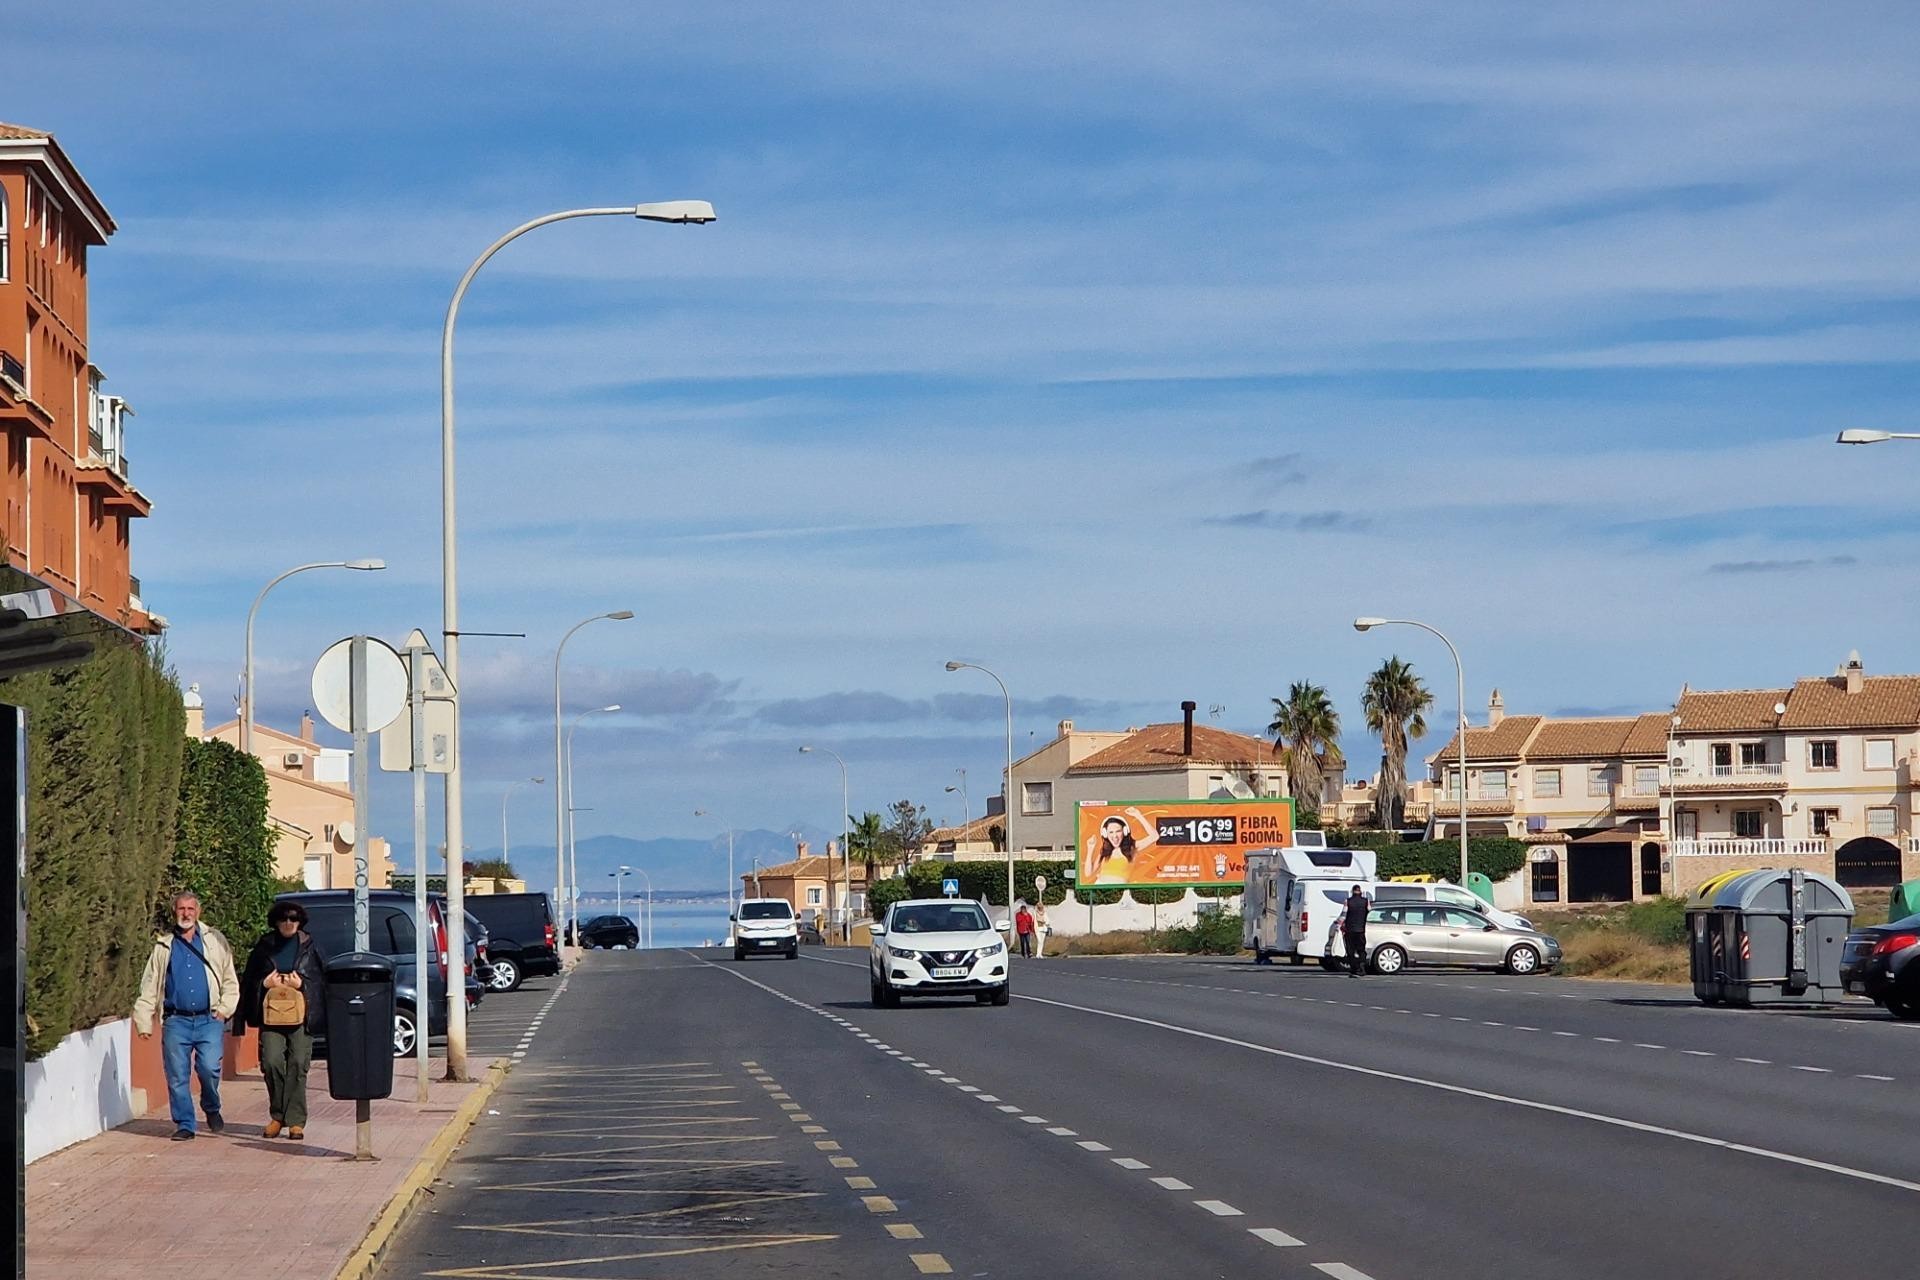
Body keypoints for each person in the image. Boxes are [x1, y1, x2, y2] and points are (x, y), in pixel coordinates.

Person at [132, 892, 240, 1140]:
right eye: (181, 909)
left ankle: (211, 1107)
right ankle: (185, 1124)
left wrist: (224, 1009)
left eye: (190, 909)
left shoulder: (215, 941)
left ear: (198, 912)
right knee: (177, 1075)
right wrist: (143, 1020)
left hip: (208, 1019)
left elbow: (229, 980)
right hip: (175, 1021)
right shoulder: (164, 946)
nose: (186, 913)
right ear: (175, 912)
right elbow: (150, 985)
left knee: (209, 1068)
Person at [239, 901, 328, 1140]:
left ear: (300, 921)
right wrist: (265, 984)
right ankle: (278, 1115)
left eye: (293, 919)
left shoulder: (310, 946)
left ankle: (296, 1120)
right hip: (271, 1015)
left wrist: (302, 986)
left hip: (300, 1015)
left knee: (299, 1062)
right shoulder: (265, 946)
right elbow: (249, 981)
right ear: (276, 921)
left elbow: (322, 982)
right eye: (283, 919)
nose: (288, 923)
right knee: (271, 1062)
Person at [1085, 807, 1160, 885]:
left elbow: (1154, 836)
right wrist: (1090, 848)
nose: (1115, 836)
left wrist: (1138, 815)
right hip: (1101, 889)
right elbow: (1088, 873)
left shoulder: (1132, 848)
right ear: (1105, 834)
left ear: (1125, 831)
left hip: (1121, 891)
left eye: (1118, 831)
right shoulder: (1105, 850)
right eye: (1111, 832)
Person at [1341, 884, 1372, 978]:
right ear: (1360, 891)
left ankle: (1354, 969)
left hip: (1350, 930)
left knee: (1350, 950)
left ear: (1352, 891)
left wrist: (1339, 923)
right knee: (1361, 950)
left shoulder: (1348, 901)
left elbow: (1343, 915)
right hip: (1361, 930)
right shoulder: (1366, 901)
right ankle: (1362, 968)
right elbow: (1370, 911)